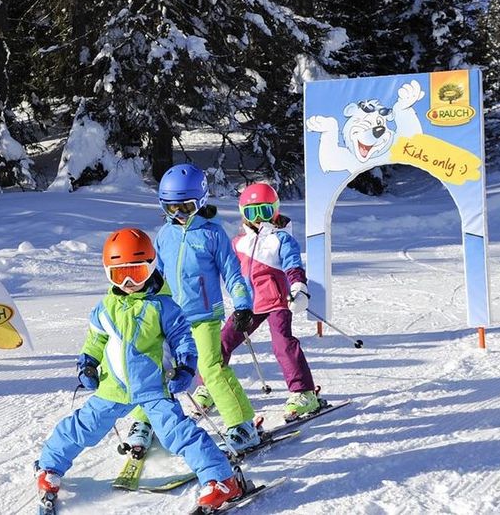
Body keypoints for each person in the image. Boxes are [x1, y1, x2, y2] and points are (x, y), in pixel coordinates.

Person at [35, 228, 242, 512]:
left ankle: (220, 479)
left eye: (137, 272)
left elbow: (183, 338)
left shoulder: (163, 306)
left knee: (177, 433)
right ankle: (49, 466)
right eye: (120, 275)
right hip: (113, 387)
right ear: (109, 274)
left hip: (154, 387)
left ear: (151, 267)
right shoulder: (106, 307)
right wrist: (88, 363)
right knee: (83, 426)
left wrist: (185, 367)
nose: (130, 281)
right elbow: (96, 340)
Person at [141, 163, 260, 454]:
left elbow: (233, 274)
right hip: (172, 318)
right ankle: (144, 421)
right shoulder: (164, 235)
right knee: (155, 367)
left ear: (201, 202)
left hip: (205, 316)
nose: (179, 215)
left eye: (186, 207)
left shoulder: (212, 234)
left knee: (211, 369)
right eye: (171, 209)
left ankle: (242, 424)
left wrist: (243, 305)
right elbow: (161, 275)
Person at [194, 183, 321, 420]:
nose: (259, 219)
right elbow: (224, 267)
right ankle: (209, 385)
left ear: (275, 210)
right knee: (221, 341)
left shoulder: (281, 239)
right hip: (248, 305)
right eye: (252, 213)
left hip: (277, 301)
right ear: (243, 214)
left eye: (264, 211)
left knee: (283, 343)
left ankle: (304, 392)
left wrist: (298, 287)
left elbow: (293, 265)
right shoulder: (238, 242)